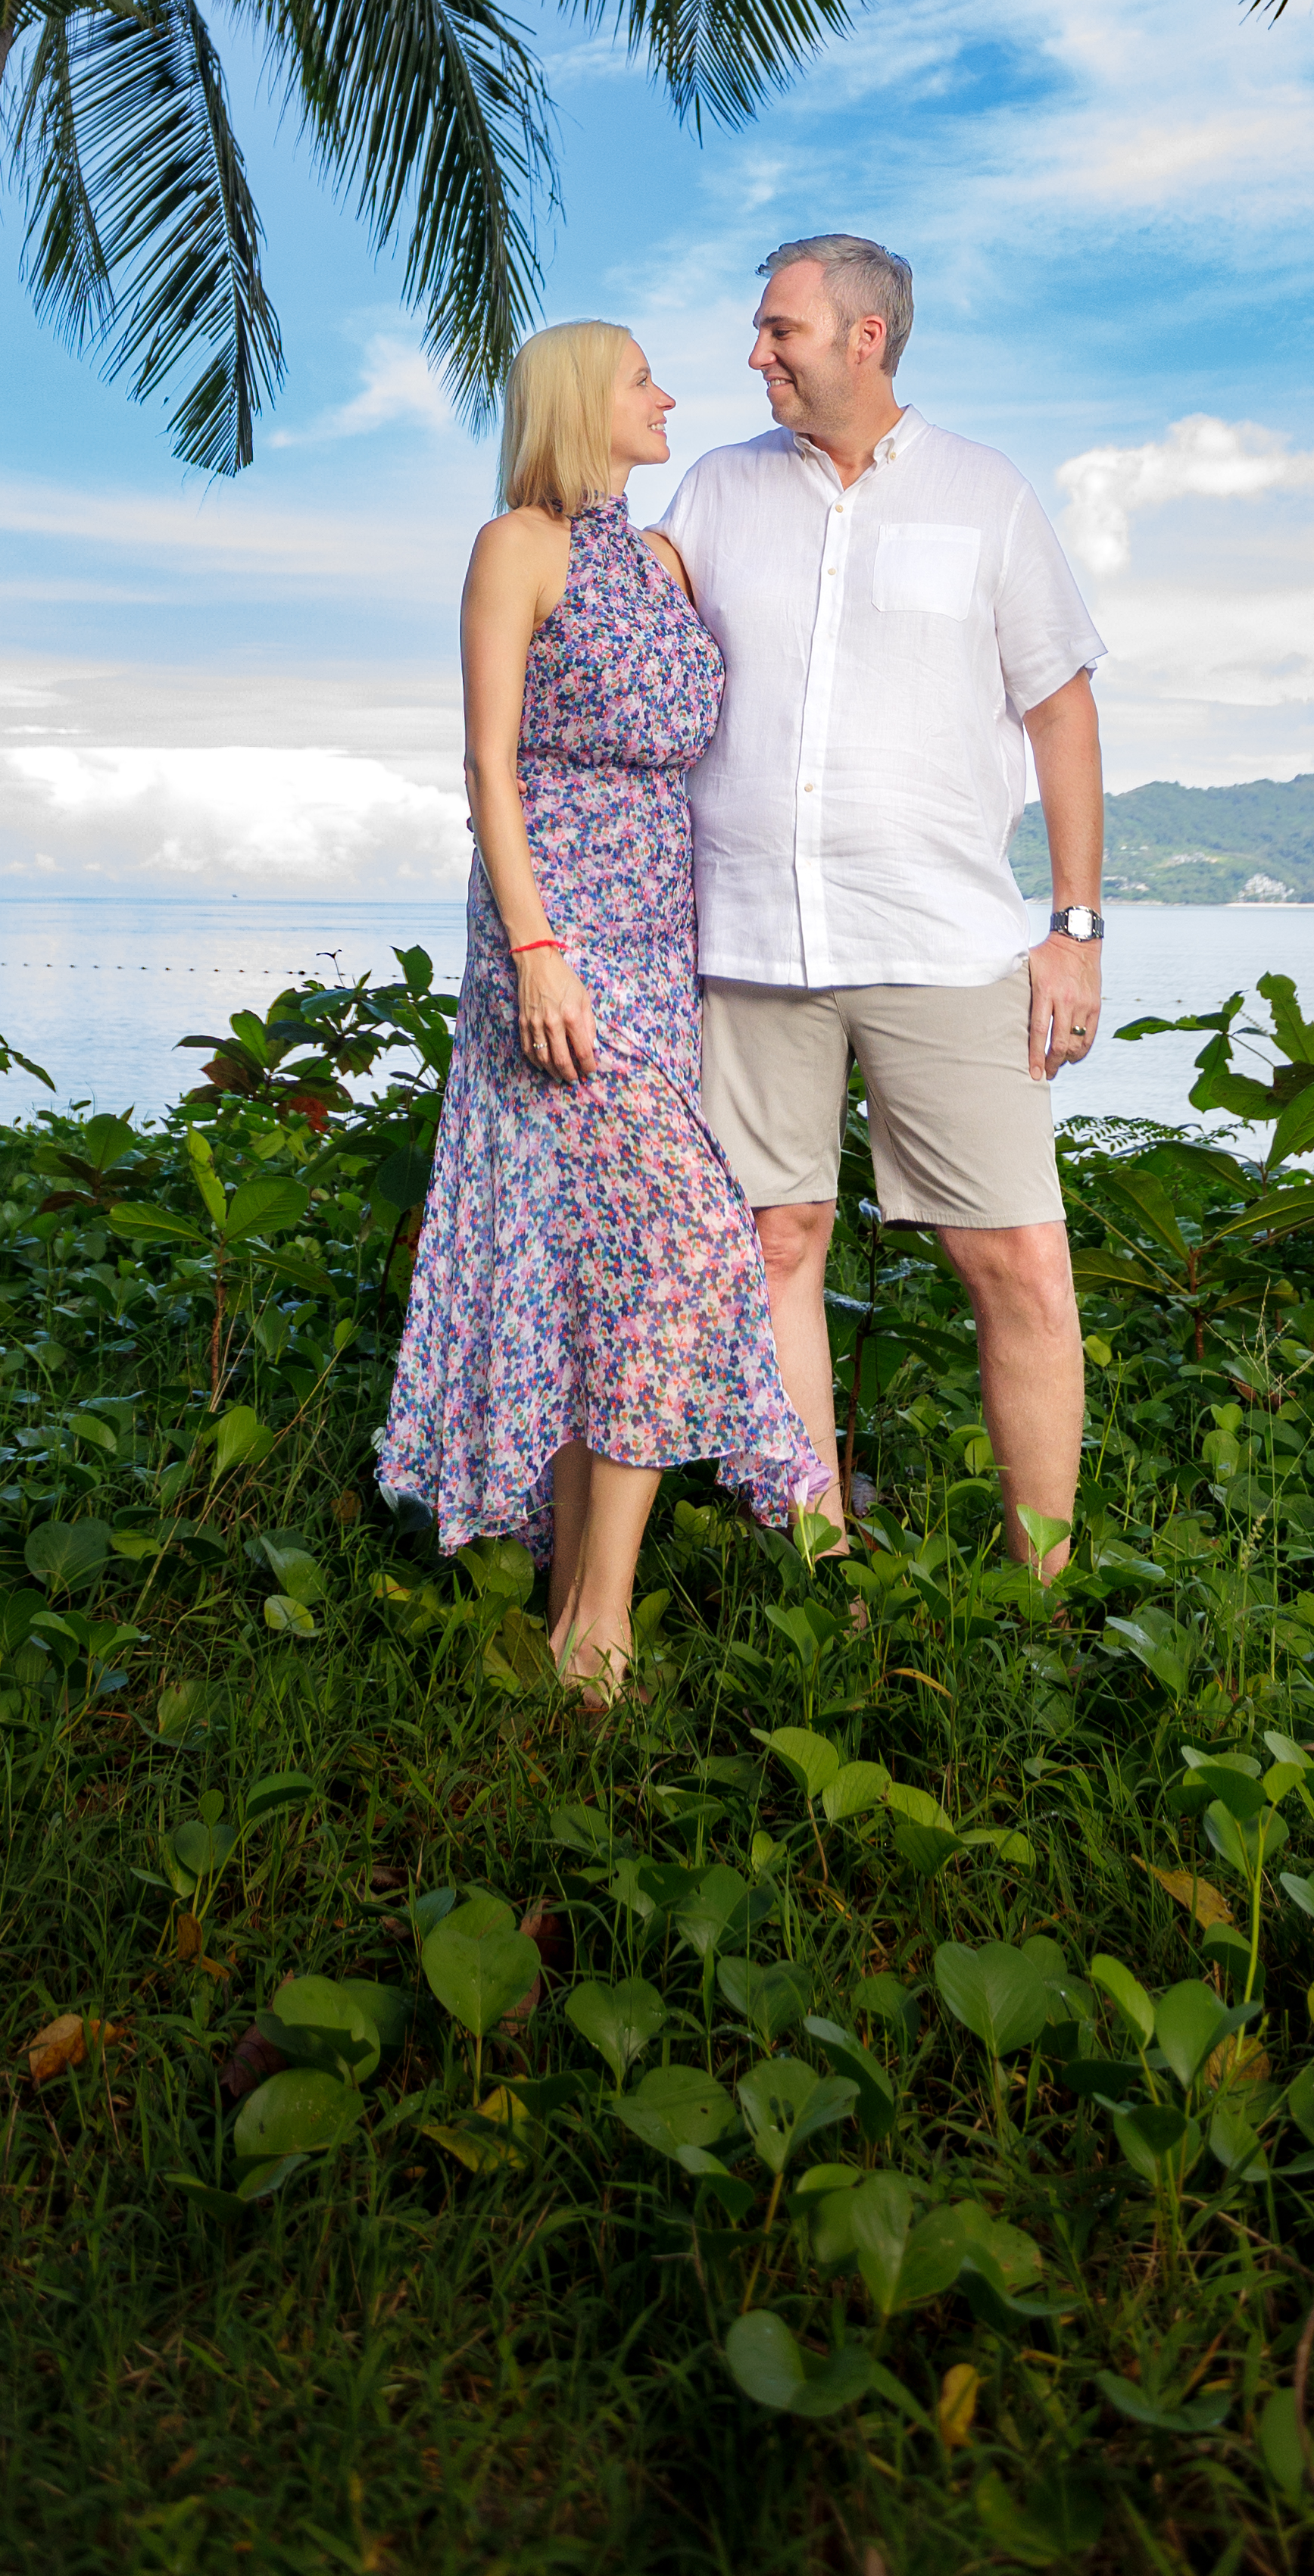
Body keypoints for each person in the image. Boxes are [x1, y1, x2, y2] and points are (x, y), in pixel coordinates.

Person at [375, 317, 829, 1691]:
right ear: (584, 401)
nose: (670, 395)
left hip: (659, 944)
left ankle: (578, 1605)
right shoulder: (520, 546)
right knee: (692, 1248)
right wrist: (535, 947)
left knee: (613, 1271)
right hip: (559, 942)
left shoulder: (666, 558)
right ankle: (601, 1628)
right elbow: (489, 768)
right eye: (645, 380)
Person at [660, 235, 1106, 1580]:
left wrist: (1076, 927)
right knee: (774, 1243)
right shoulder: (717, 491)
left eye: (778, 329)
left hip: (945, 943)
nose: (755, 355)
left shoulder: (986, 495)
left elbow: (1062, 711)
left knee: (1022, 1265)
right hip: (741, 937)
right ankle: (818, 1585)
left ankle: (1041, 1600)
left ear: (866, 337)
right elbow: (622, 637)